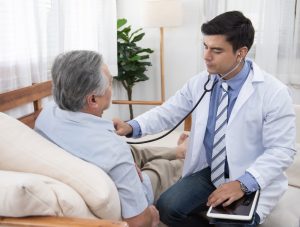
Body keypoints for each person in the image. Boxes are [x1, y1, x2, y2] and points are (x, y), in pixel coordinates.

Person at [113, 11, 296, 227]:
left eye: (216, 50)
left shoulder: (273, 92)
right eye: (205, 46)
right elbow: (168, 111)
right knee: (166, 208)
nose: (206, 56)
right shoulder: (200, 82)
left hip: (251, 174)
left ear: (241, 53)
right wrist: (131, 126)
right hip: (211, 171)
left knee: (228, 222)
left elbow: (282, 150)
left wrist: (242, 184)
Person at [34, 50, 186, 227]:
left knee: (134, 151)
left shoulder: (48, 112)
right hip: (126, 172)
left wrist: (126, 165)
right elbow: (138, 222)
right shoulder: (114, 151)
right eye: (110, 84)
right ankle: (183, 158)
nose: (111, 89)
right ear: (92, 100)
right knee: (161, 166)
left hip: (94, 157)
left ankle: (178, 151)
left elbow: (117, 154)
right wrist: (151, 216)